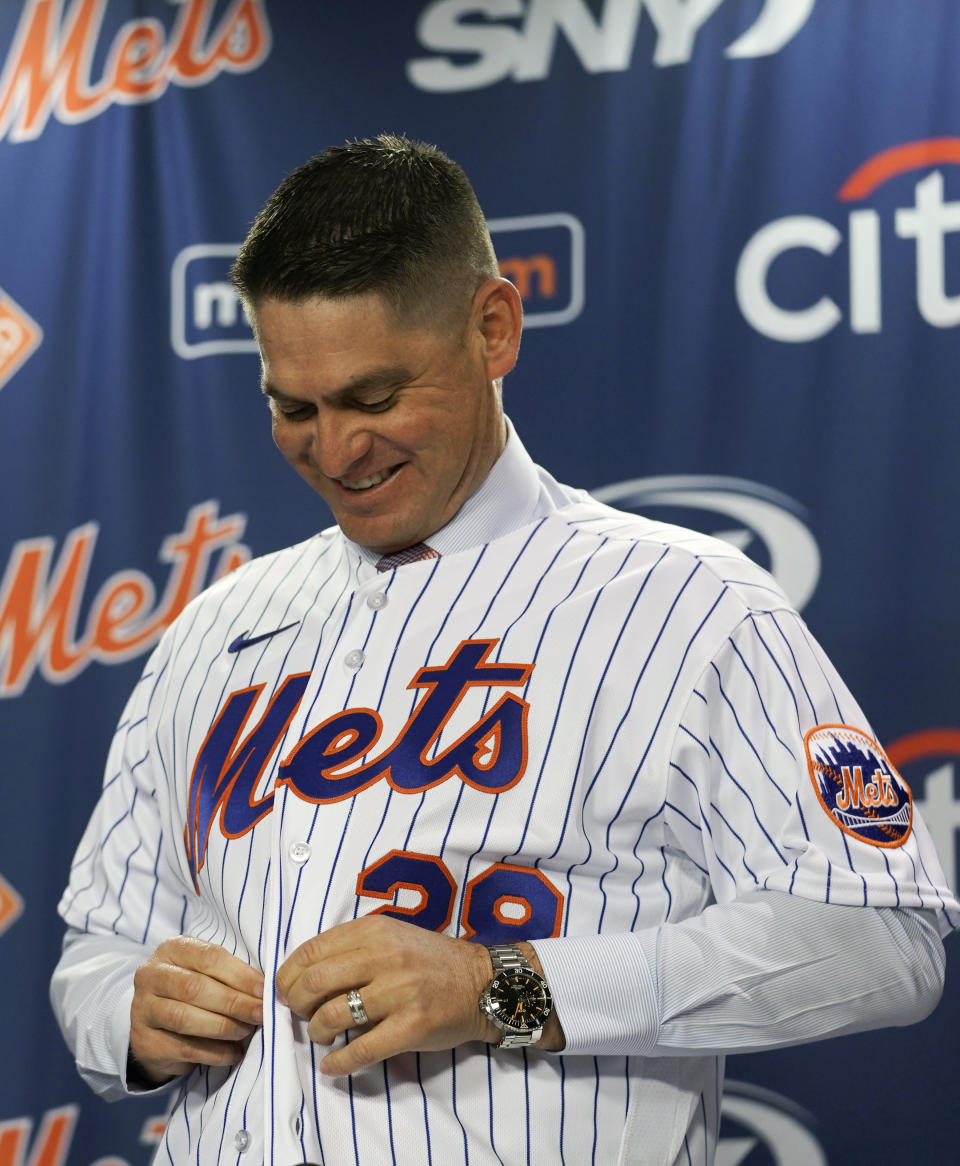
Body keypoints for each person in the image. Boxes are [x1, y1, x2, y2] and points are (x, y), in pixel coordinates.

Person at [52, 134, 957, 1166]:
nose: (336, 449)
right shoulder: (217, 629)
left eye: (375, 397)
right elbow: (98, 947)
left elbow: (884, 941)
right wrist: (132, 1007)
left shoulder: (690, 605)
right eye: (292, 407)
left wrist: (501, 986)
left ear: (493, 328)